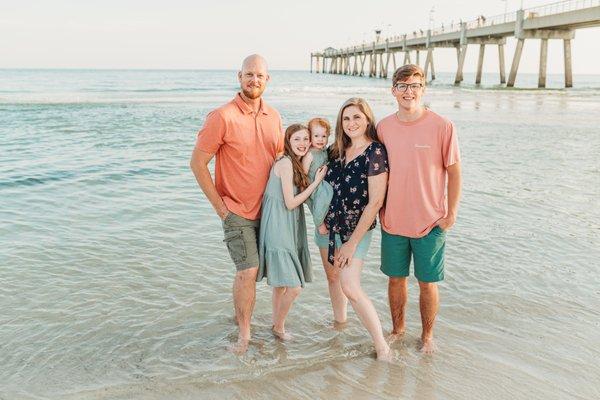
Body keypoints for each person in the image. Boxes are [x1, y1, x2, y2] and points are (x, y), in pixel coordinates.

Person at [189, 54, 284, 353]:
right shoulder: (222, 116)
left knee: (271, 273)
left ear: (267, 80)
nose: (254, 80)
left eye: (259, 75)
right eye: (248, 74)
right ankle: (244, 335)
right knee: (248, 271)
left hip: (270, 211)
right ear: (239, 76)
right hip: (236, 211)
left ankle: (258, 321)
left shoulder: (275, 117)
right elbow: (197, 163)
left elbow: (281, 161)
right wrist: (221, 208)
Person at [377, 64, 462, 354]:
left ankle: (427, 336)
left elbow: (454, 171)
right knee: (395, 280)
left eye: (414, 85)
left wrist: (451, 213)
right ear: (393, 90)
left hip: (430, 221)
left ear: (423, 89)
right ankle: (398, 330)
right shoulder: (383, 127)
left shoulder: (442, 125)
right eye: (402, 86)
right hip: (392, 220)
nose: (408, 91)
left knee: (427, 283)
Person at [320, 97, 391, 360]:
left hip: (357, 230)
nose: (351, 123)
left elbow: (375, 203)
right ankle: (340, 324)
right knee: (333, 279)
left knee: (350, 286)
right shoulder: (336, 150)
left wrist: (351, 243)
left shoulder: (375, 152)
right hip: (331, 227)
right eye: (346, 118)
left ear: (367, 120)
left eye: (357, 117)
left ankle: (382, 345)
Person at [257, 124, 327, 340]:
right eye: (297, 139)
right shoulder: (286, 163)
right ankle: (279, 328)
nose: (303, 143)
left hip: (287, 223)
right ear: (288, 141)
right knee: (294, 287)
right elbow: (289, 203)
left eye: (306, 139)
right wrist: (316, 183)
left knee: (280, 286)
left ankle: (276, 325)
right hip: (279, 224)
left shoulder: (294, 162)